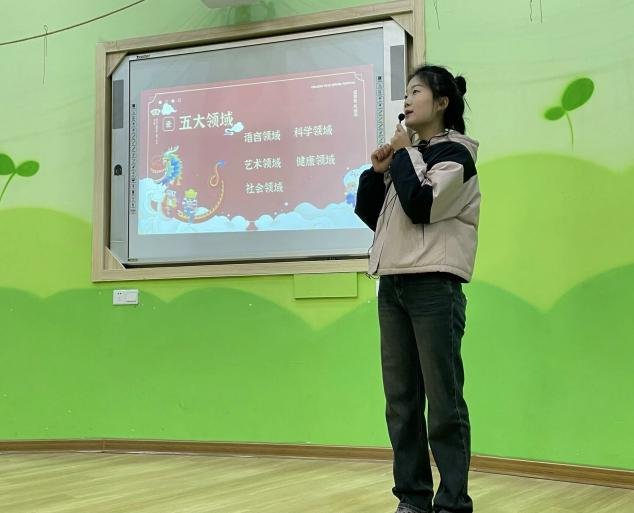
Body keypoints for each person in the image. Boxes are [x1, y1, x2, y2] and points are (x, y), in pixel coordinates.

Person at [355, 65, 481, 513]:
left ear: (442, 102)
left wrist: (405, 155)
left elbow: (422, 205)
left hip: (433, 286)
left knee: (443, 403)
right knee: (401, 402)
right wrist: (377, 172)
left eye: (416, 92)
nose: (406, 100)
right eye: (405, 93)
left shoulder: (457, 155)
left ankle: (452, 503)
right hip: (393, 285)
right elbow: (373, 215)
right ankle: (412, 499)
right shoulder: (410, 155)